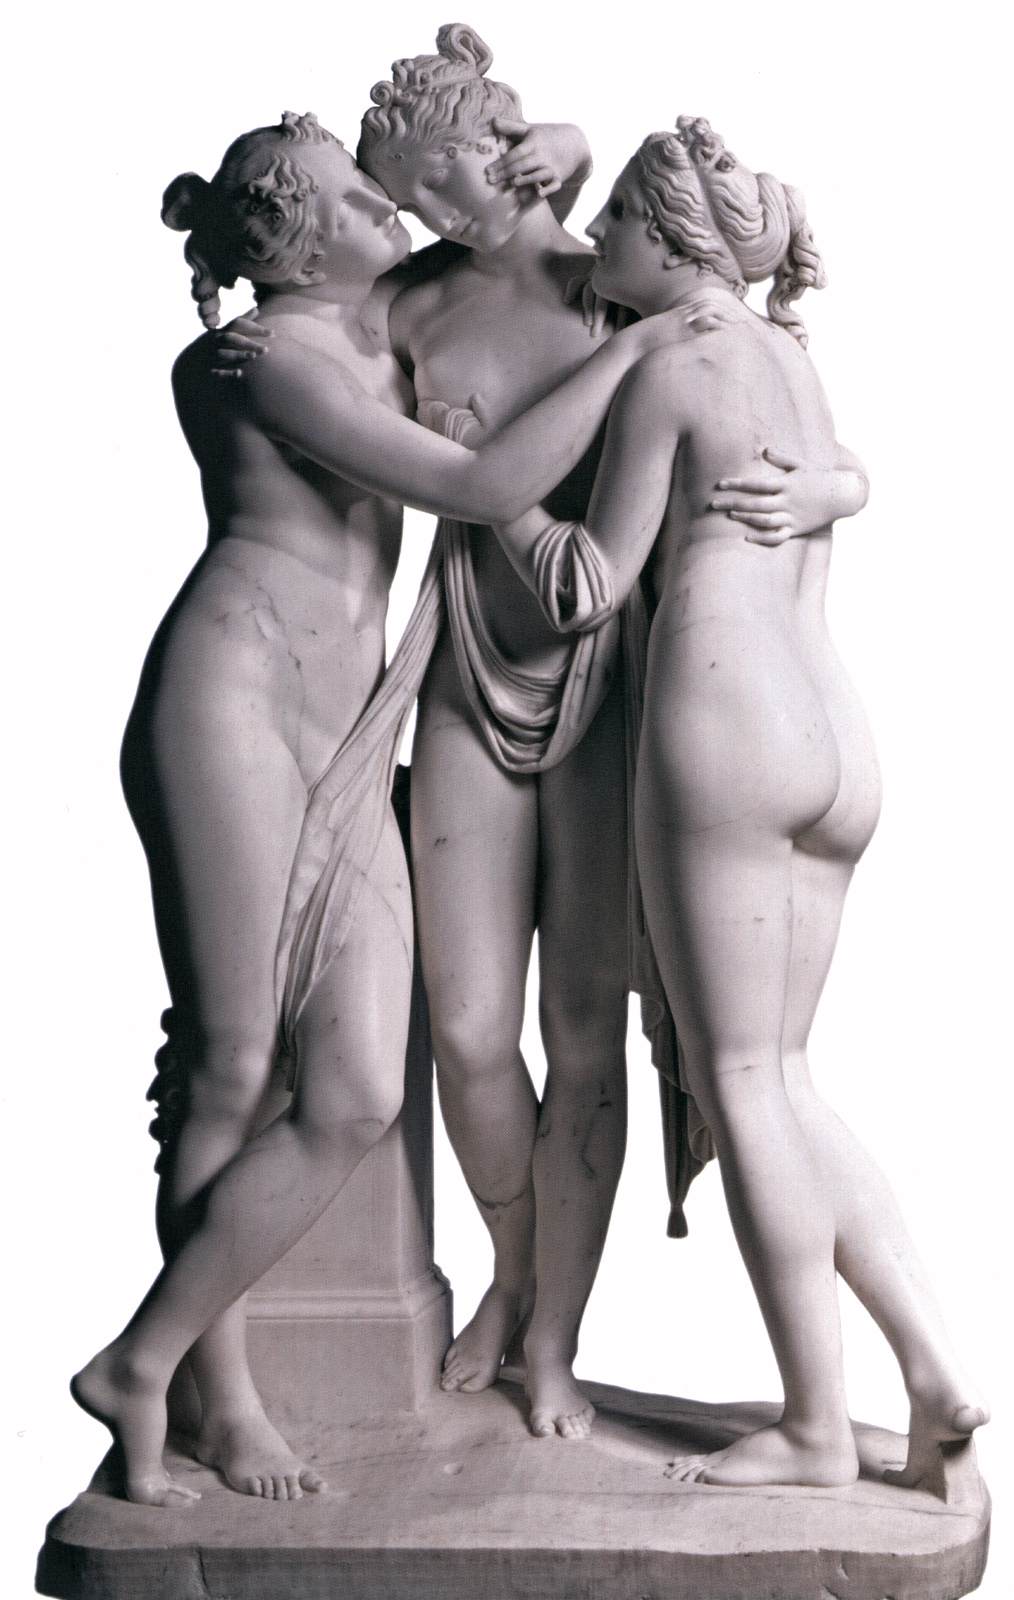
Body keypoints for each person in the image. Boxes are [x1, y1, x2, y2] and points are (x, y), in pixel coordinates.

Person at [71, 108, 718, 1507]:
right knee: (234, 1065)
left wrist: (564, 144)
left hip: (350, 728)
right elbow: (482, 484)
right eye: (364, 203)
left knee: (360, 1089)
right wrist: (638, 350)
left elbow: (517, 228)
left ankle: (145, 1363)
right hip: (232, 708)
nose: (393, 214)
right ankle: (205, 1391)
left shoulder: (376, 323)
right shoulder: (258, 361)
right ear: (303, 246)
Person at [354, 24, 869, 1440]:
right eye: (404, 194)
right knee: (468, 1030)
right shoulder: (404, 305)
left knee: (580, 1028)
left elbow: (768, 400)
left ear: (505, 150)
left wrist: (833, 487)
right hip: (473, 659)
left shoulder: (616, 280)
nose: (430, 211)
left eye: (444, 175)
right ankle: (510, 1275)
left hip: (612, 685)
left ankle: (554, 1343)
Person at [490, 116, 989, 1489]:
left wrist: (489, 491)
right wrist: (843, 485)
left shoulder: (672, 365)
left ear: (668, 243)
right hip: (834, 733)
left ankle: (817, 1428)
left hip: (726, 723)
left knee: (744, 1083)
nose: (599, 242)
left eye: (617, 226)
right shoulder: (785, 354)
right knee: (787, 1077)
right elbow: (846, 483)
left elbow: (589, 581)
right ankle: (932, 1369)